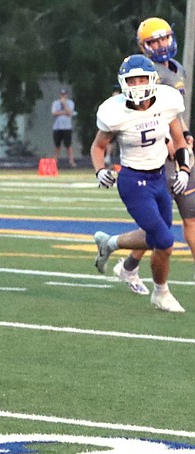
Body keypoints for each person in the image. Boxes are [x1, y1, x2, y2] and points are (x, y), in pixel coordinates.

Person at [91, 54, 189, 312]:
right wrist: (100, 171)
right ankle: (161, 292)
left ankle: (110, 244)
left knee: (156, 234)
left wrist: (184, 170)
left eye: (141, 79)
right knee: (165, 242)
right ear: (123, 83)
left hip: (159, 177)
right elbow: (98, 146)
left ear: (152, 80)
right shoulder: (115, 111)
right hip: (134, 181)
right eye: (131, 81)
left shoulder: (167, 101)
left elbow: (179, 141)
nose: (137, 85)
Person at [109, 18, 195, 293]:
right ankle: (126, 263)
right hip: (157, 158)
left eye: (164, 38)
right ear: (143, 46)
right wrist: (172, 143)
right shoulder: (148, 74)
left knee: (178, 221)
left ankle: (128, 267)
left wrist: (185, 136)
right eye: (154, 41)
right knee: (168, 225)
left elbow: (174, 115)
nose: (161, 45)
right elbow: (147, 115)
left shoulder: (176, 68)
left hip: (176, 153)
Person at [51, 88, 76, 166]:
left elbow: (69, 112)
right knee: (57, 145)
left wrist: (64, 104)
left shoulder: (70, 103)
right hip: (57, 127)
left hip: (67, 127)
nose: (63, 96)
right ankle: (55, 161)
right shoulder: (55, 103)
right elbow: (54, 113)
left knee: (68, 145)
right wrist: (64, 112)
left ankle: (71, 161)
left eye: (64, 94)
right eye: (62, 94)